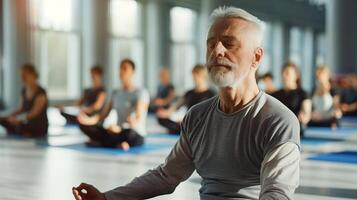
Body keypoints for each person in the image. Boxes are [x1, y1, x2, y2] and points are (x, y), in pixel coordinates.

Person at [73, 7, 300, 200]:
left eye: (229, 44)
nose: (217, 51)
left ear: (256, 57)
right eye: (211, 44)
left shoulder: (278, 121)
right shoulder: (197, 116)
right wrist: (107, 197)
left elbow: (276, 193)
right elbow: (167, 175)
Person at [77, 59, 149, 150]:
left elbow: (138, 118)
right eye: (120, 68)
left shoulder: (141, 92)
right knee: (86, 126)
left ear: (133, 72)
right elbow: (103, 115)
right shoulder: (116, 92)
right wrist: (87, 121)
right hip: (116, 132)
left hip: (132, 132)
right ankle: (116, 143)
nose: (121, 71)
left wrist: (121, 128)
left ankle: (105, 143)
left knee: (130, 133)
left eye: (125, 68)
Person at [156, 64, 215, 134]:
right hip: (187, 121)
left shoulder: (211, 94)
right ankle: (184, 128)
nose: (194, 78)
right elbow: (175, 107)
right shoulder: (189, 93)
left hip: (201, 123)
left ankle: (184, 129)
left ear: (203, 76)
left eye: (197, 76)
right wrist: (165, 113)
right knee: (161, 118)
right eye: (193, 76)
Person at [0, 63, 48, 138]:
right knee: (3, 120)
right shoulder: (24, 90)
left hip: (38, 126)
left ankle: (22, 131)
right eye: (22, 75)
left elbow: (35, 112)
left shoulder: (41, 92)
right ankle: (19, 130)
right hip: (26, 123)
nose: (23, 78)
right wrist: (8, 116)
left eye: (25, 75)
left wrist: (19, 119)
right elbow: (20, 109)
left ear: (33, 74)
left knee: (19, 127)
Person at [272, 62, 311, 137]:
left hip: (295, 133)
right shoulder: (275, 94)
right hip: (278, 133)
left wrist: (304, 117)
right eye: (283, 73)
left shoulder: (303, 94)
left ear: (296, 76)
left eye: (287, 73)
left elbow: (307, 113)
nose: (284, 76)